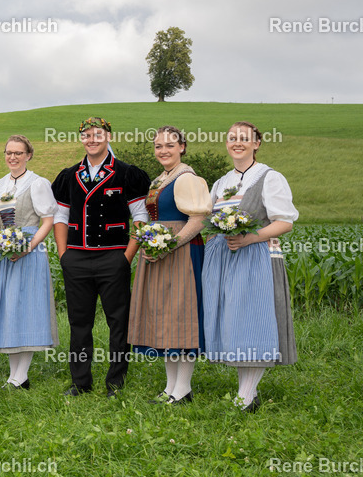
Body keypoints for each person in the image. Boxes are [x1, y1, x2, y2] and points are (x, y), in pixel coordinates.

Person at [202, 121, 298, 411]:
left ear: (257, 143)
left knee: (253, 322)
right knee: (235, 323)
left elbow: (285, 222)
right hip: (224, 258)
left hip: (256, 257)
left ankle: (245, 395)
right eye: (232, 137)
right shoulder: (221, 182)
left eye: (244, 138)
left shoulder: (270, 177)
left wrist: (249, 238)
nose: (237, 142)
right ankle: (248, 394)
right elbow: (208, 220)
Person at [52, 117, 150, 397]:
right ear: (81, 139)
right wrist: (63, 254)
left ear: (109, 137)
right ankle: (80, 382)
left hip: (113, 258)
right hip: (77, 258)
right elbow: (60, 216)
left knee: (118, 322)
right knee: (79, 322)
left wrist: (126, 257)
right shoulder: (69, 175)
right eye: (86, 135)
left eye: (98, 134)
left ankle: (115, 383)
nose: (92, 139)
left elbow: (140, 216)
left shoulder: (127, 173)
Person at [127, 126, 211, 405]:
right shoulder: (161, 179)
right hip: (159, 250)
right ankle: (171, 386)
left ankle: (183, 388)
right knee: (164, 316)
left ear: (182, 147)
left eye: (169, 145)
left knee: (180, 315)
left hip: (182, 252)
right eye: (158, 146)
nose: (163, 151)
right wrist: (152, 243)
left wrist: (170, 245)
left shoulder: (187, 178)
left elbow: (198, 219)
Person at [0, 135, 58, 389]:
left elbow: (47, 221)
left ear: (28, 155)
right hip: (2, 250)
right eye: (9, 152)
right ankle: (14, 375)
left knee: (26, 308)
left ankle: (21, 375)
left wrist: (28, 247)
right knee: (8, 309)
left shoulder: (38, 183)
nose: (13, 157)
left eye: (18, 153)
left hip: (29, 249)